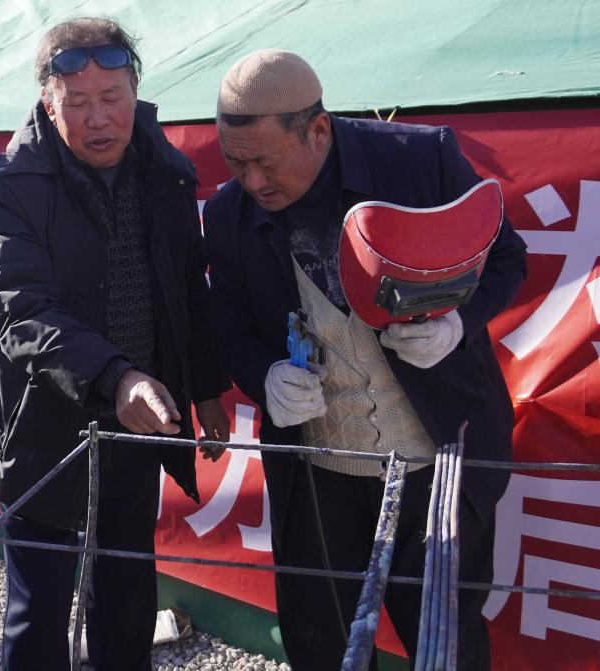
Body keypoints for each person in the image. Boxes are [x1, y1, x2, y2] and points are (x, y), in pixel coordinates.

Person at [203, 50, 527, 670]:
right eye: (235, 163)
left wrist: (457, 326)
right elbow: (229, 326)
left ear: (318, 130)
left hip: (436, 457)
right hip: (318, 468)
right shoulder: (228, 215)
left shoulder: (419, 162)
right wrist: (265, 376)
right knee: (323, 641)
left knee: (445, 643)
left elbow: (506, 258)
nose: (253, 183)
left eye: (265, 162)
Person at [0, 17, 231, 671]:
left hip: (135, 426)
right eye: (77, 102)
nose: (98, 118)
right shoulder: (5, 187)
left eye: (111, 97)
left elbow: (186, 288)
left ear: (134, 89)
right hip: (40, 430)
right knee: (39, 613)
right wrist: (115, 377)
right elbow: (20, 309)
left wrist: (205, 387)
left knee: (126, 597)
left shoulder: (165, 173)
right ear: (47, 101)